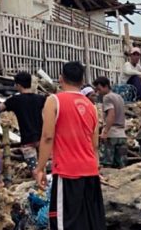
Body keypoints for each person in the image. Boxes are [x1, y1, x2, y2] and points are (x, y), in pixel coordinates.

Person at [34, 61, 105, 230]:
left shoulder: (54, 101)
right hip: (90, 172)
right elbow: (94, 145)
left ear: (61, 78)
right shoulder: (92, 107)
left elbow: (47, 137)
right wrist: (96, 168)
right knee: (90, 222)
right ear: (82, 81)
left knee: (64, 223)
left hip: (67, 172)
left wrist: (40, 168)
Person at [0, 72, 46, 172]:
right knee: (43, 167)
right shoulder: (40, 99)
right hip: (41, 139)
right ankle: (45, 185)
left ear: (18, 85)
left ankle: (39, 184)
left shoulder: (15, 100)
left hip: (27, 141)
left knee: (34, 169)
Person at [93, 76, 128, 169]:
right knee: (122, 166)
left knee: (107, 165)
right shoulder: (119, 97)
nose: (98, 92)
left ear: (106, 86)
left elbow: (111, 114)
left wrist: (105, 132)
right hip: (122, 134)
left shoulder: (107, 97)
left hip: (112, 134)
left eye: (99, 89)